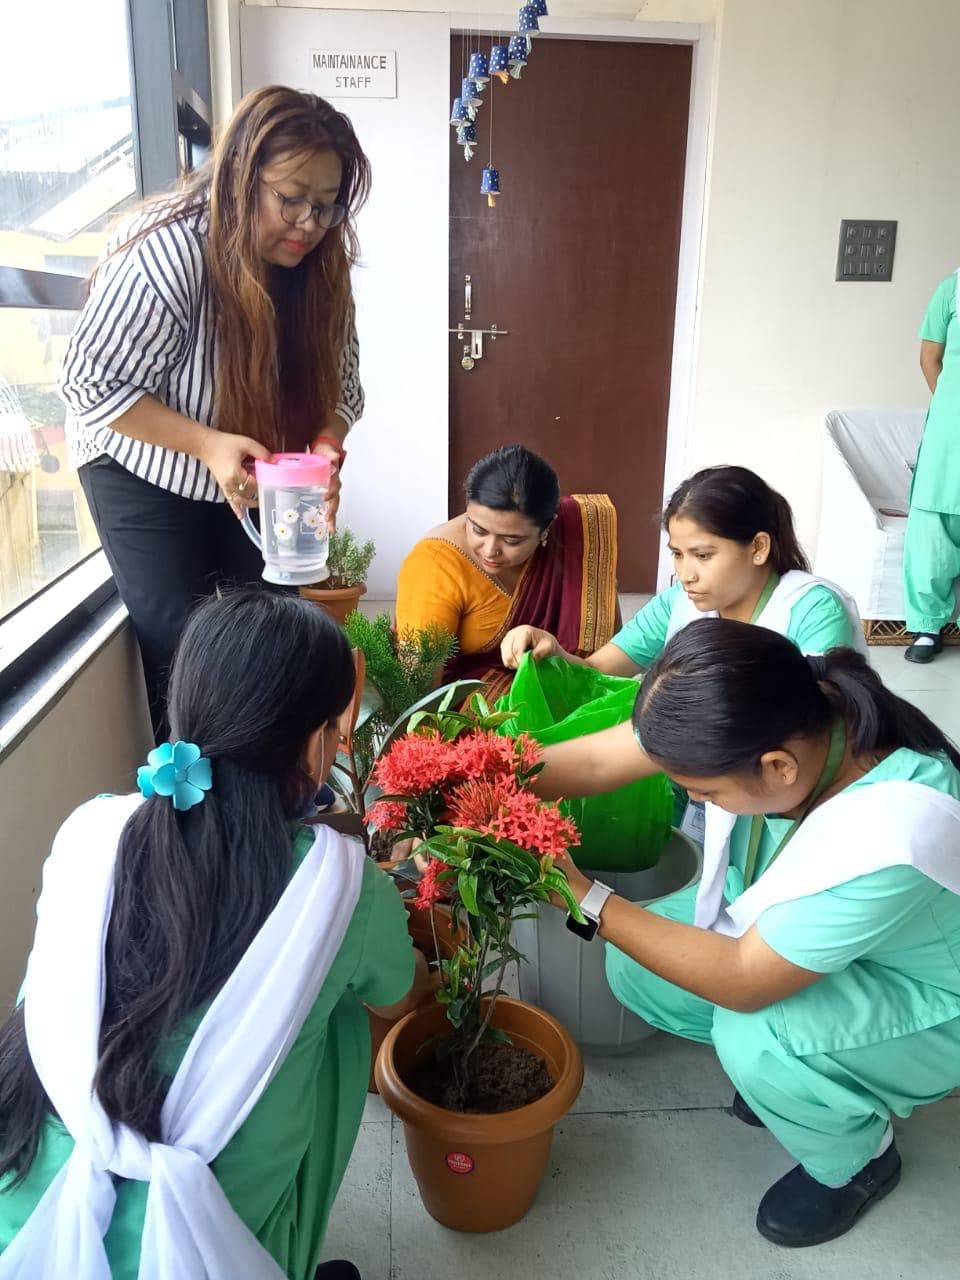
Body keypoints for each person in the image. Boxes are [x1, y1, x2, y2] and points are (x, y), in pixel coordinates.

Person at [0, 590, 433, 1279]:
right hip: (209, 1250)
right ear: (319, 743)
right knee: (341, 1020)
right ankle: (287, 1241)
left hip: (25, 1222)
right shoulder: (340, 888)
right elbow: (399, 998)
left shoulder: (90, 829)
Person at [550, 620, 960, 1246]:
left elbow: (743, 981)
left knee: (752, 1034)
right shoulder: (786, 703)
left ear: (776, 767)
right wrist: (463, 779)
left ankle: (858, 1159)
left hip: (933, 998)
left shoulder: (895, 826)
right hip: (841, 943)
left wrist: (584, 898)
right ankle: (805, 1084)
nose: (693, 798)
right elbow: (600, 758)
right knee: (638, 963)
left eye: (702, 792)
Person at [59, 86, 370, 737]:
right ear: (239, 178)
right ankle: (191, 820)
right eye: (291, 199)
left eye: (326, 205)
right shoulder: (167, 255)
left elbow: (344, 389)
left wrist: (322, 452)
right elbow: (91, 383)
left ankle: (273, 798)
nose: (310, 224)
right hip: (140, 461)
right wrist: (204, 444)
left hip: (258, 469)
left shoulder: (320, 266)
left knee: (275, 635)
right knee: (186, 648)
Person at [502, 464, 863, 675]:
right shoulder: (679, 603)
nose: (686, 574)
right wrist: (552, 650)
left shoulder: (812, 611)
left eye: (703, 556)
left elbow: (820, 716)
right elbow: (598, 673)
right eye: (678, 554)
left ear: (758, 548)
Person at [395, 444, 619, 698]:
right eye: (478, 530)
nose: (490, 550)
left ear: (546, 530)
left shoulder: (577, 534)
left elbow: (610, 650)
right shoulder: (435, 564)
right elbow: (417, 687)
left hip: (570, 682)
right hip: (469, 701)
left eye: (512, 541)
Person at [903, 270, 960, 663]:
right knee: (932, 522)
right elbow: (930, 357)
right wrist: (948, 407)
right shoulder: (952, 289)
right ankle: (927, 626)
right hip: (950, 425)